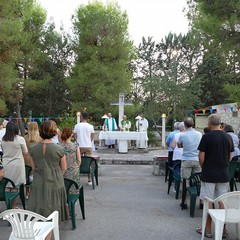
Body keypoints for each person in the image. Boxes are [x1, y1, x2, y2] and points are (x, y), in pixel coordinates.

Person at [28, 120, 69, 237]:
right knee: (52, 213)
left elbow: (33, 167)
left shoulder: (33, 148)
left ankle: (42, 235)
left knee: (39, 212)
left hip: (38, 182)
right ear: (54, 132)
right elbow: (64, 168)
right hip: (55, 183)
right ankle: (47, 236)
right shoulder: (59, 149)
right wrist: (56, 175)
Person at [196, 114, 234, 238]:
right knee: (222, 201)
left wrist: (204, 167)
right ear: (220, 123)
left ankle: (207, 229)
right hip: (223, 174)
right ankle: (223, 229)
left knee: (208, 202)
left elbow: (201, 157)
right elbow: (230, 157)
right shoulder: (228, 137)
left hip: (209, 174)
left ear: (209, 124)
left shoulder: (206, 137)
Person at [1, 121, 28, 208]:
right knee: (16, 187)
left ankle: (8, 205)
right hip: (17, 165)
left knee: (7, 186)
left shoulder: (3, 140)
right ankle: (13, 206)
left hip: (6, 164)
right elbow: (25, 152)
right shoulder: (20, 139)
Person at [177, 117, 202, 209]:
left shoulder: (182, 135)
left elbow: (179, 145)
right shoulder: (199, 134)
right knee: (198, 181)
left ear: (185, 125)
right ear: (193, 123)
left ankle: (184, 202)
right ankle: (201, 202)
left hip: (187, 159)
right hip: (197, 159)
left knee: (185, 181)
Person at [74, 112, 95, 185]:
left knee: (77, 162)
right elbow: (92, 136)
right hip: (88, 145)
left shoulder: (77, 126)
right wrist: (88, 141)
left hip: (79, 146)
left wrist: (78, 142)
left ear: (82, 117)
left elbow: (75, 136)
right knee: (88, 162)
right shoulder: (90, 126)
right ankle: (89, 179)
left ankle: (76, 178)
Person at [60, 127, 81, 194]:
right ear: (71, 135)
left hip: (61, 170)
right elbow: (79, 160)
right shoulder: (75, 146)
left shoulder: (59, 146)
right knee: (73, 190)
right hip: (73, 170)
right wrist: (76, 167)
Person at [24, 122, 42, 199]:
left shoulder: (25, 138)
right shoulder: (40, 139)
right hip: (36, 159)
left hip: (26, 159)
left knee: (27, 176)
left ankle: (27, 193)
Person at [171, 122, 185, 192]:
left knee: (177, 171)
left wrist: (176, 150)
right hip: (186, 156)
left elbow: (173, 146)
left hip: (177, 156)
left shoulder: (177, 135)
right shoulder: (188, 134)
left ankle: (176, 187)